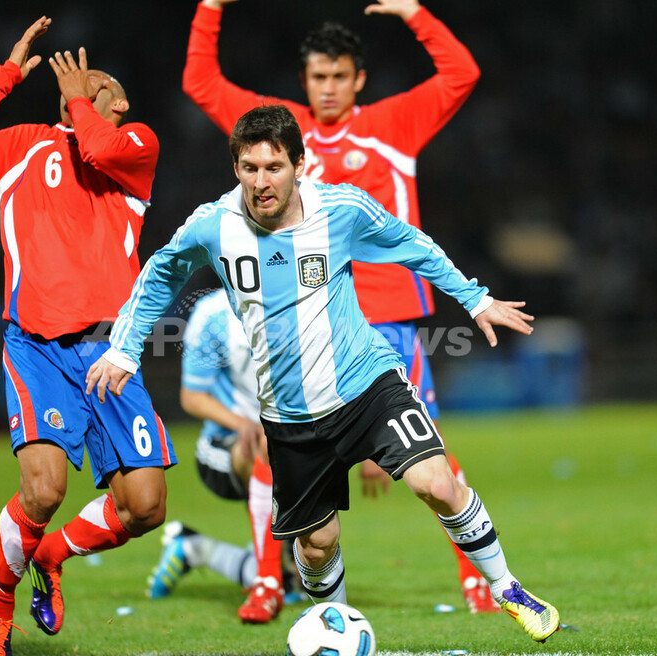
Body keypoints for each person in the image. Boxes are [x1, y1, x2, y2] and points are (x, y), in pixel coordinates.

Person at [86, 105, 561, 644]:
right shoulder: (213, 225)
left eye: (274, 167)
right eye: (249, 168)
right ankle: (337, 630)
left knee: (436, 483)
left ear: (299, 165)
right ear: (235, 168)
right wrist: (125, 349)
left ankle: (506, 587)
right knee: (316, 546)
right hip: (289, 417)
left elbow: (412, 245)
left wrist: (474, 299)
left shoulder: (340, 210)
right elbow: (159, 274)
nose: (261, 182)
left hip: (367, 385)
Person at [182, 0, 498, 614]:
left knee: (431, 454)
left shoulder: (395, 122)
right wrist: (211, 7)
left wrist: (415, 12)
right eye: (317, 76)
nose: (327, 88)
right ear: (304, 81)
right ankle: (267, 583)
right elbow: (200, 81)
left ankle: (477, 581)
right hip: (304, 317)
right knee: (279, 445)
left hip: (388, 319)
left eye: (339, 76)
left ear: (359, 79)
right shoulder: (280, 135)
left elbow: (462, 74)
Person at [0, 17, 176, 656]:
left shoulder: (137, 146)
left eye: (98, 81)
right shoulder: (22, 149)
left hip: (110, 352)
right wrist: (6, 74)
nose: (84, 80)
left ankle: (54, 555)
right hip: (36, 347)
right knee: (43, 490)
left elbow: (98, 149)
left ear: (120, 103)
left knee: (145, 506)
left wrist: (76, 102)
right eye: (76, 81)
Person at [146, 289, 305, 622]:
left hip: (288, 442)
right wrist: (243, 423)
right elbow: (192, 397)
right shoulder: (213, 314)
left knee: (306, 580)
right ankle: (269, 577)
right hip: (223, 446)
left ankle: (194, 549)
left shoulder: (302, 300)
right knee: (267, 446)